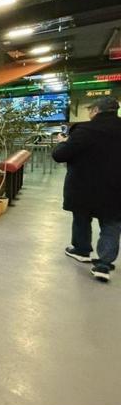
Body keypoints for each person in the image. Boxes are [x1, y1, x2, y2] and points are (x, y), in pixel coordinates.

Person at [52, 96, 121, 282]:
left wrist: (63, 142)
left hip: (84, 186)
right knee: (112, 223)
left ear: (96, 110)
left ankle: (82, 250)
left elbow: (60, 155)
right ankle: (104, 264)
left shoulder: (84, 130)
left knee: (81, 216)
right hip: (116, 188)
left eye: (91, 109)